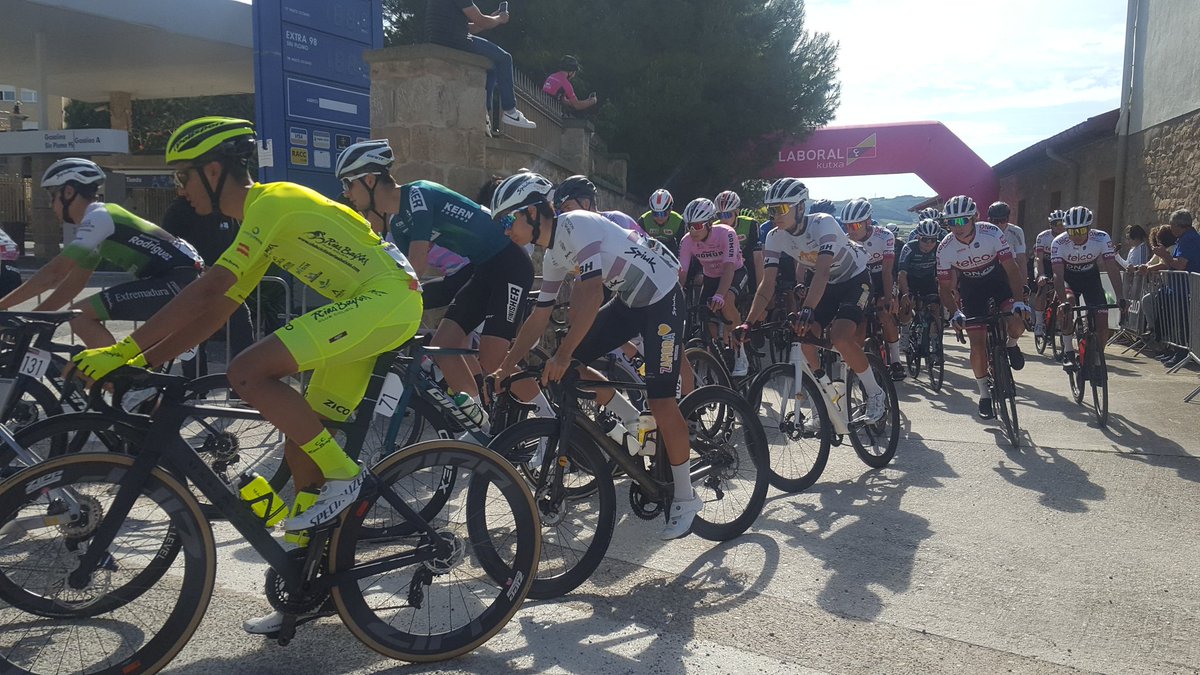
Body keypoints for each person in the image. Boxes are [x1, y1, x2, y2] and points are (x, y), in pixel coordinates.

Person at [69, 116, 425, 635]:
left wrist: (126, 346)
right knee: (301, 451)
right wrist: (142, 361)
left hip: (386, 300)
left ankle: (348, 476)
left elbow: (209, 288)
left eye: (183, 177)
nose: (180, 190)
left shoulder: (272, 204)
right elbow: (219, 311)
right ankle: (305, 591)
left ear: (214, 171)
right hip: (370, 303)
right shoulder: (257, 219)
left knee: (247, 372)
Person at [488, 172, 703, 539]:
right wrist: (504, 368)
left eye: (508, 220)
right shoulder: (553, 254)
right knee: (570, 365)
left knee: (662, 399)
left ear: (534, 212)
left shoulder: (576, 224)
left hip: (663, 297)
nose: (506, 230)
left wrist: (563, 352)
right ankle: (638, 426)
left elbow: (591, 296)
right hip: (632, 301)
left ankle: (685, 496)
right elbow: (540, 316)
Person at [335, 140, 536, 428]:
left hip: (509, 264)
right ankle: (482, 424)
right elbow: (399, 273)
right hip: (482, 269)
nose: (346, 193)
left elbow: (414, 266)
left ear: (369, 179)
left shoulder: (418, 195)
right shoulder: (398, 223)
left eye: (348, 184)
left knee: (492, 360)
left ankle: (546, 421)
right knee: (444, 345)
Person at [0, 158, 204, 347]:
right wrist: (30, 320)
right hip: (178, 280)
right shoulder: (99, 224)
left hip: (177, 281)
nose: (51, 205)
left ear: (68, 192)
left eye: (52, 197)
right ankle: (121, 377)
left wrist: (3, 306)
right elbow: (72, 286)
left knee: (80, 315)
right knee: (80, 314)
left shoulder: (99, 217)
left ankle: (120, 378)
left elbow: (54, 273)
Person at [743, 178, 887, 422]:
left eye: (782, 209)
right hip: (827, 286)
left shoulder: (823, 223)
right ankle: (827, 397)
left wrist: (808, 308)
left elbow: (820, 271)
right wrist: (748, 322)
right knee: (804, 339)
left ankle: (875, 393)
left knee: (840, 337)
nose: (775, 215)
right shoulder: (775, 237)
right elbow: (767, 284)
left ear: (800, 207)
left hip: (854, 280)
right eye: (771, 209)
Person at [936, 195, 1029, 419]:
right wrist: (954, 312)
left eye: (961, 221)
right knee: (977, 346)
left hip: (997, 281)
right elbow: (944, 286)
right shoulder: (945, 247)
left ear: (974, 218)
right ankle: (984, 395)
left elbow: (1011, 268)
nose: (956, 227)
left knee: (1017, 322)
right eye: (951, 222)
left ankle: (1011, 345)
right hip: (971, 289)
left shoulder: (992, 232)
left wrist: (1018, 301)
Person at [160, 190, 255, 377]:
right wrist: (199, 269)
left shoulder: (225, 211)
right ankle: (192, 389)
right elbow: (168, 248)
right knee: (192, 340)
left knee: (242, 333)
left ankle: (242, 387)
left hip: (228, 284)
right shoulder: (178, 211)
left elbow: (239, 244)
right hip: (195, 285)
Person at [425, 0, 536, 129]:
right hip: (456, 41)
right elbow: (481, 21)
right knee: (505, 58)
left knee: (493, 65)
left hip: (441, 39)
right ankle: (510, 111)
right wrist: (499, 18)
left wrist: (493, 18)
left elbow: (470, 27)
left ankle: (484, 113)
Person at [678, 197, 750, 375]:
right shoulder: (687, 241)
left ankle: (741, 353)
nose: (692, 231)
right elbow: (682, 272)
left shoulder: (727, 233)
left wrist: (719, 294)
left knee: (726, 299)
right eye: (689, 226)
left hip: (735, 273)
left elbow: (729, 267)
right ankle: (714, 352)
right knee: (705, 317)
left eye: (697, 226)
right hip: (710, 278)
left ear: (710, 223)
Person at [1050, 206, 1126, 369]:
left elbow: (1112, 268)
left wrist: (1120, 296)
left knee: (1102, 324)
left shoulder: (1101, 238)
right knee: (1068, 304)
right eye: (1072, 232)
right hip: (1068, 279)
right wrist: (1062, 301)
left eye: (1081, 231)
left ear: (1089, 228)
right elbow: (1057, 274)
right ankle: (1068, 350)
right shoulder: (1059, 242)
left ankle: (1098, 356)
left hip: (1091, 279)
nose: (1076, 236)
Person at [842, 198, 905, 380]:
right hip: (861, 281)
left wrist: (889, 298)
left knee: (885, 315)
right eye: (847, 226)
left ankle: (895, 361)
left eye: (854, 226)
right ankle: (858, 365)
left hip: (882, 277)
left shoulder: (884, 236)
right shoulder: (846, 241)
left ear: (868, 222)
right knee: (859, 326)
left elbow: (887, 271)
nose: (850, 230)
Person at [898, 219, 943, 355]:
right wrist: (905, 294)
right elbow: (901, 274)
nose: (929, 244)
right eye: (924, 239)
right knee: (907, 305)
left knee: (936, 309)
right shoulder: (909, 248)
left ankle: (936, 342)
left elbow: (944, 272)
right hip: (910, 280)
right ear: (918, 237)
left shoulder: (940, 248)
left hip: (928, 281)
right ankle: (905, 332)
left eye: (932, 240)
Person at [714, 190, 764, 295]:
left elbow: (758, 258)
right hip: (725, 261)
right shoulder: (714, 227)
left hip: (747, 259)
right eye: (720, 215)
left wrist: (761, 290)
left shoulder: (751, 224)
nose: (723, 219)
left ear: (737, 212)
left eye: (727, 215)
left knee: (752, 259)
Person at [1032, 210, 1067, 337]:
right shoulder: (1043, 237)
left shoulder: (1067, 237)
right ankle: (1039, 322)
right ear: (1051, 225)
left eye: (1062, 223)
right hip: (1045, 263)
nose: (1060, 226)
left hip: (1061, 264)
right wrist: (1041, 275)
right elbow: (1038, 259)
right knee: (1043, 287)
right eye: (1056, 223)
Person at [986, 201, 1029, 291]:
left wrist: (1024, 285)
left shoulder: (1016, 231)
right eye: (995, 221)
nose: (1000, 224)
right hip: (988, 269)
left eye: (1003, 220)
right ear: (989, 220)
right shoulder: (984, 231)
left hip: (1008, 268)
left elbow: (1021, 259)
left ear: (1008, 219)